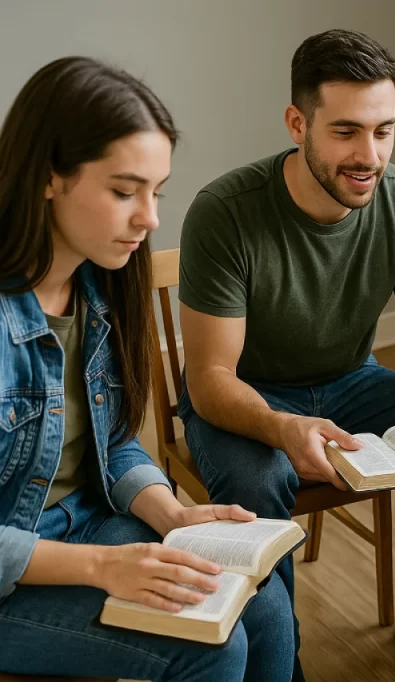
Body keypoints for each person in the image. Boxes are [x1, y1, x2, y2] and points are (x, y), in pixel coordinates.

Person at [176, 29, 395, 682]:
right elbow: (209, 377)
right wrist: (282, 427)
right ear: (298, 124)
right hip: (248, 395)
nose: (369, 155)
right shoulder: (225, 212)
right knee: (258, 483)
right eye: (347, 131)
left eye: (384, 131)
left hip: (350, 382)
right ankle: (281, 663)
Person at [0, 57, 293, 681]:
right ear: (50, 176)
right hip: (14, 571)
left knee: (265, 603)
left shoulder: (99, 290)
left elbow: (113, 442)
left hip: (86, 522)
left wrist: (173, 515)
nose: (151, 218)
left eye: (156, 192)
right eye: (124, 191)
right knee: (210, 648)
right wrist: (102, 567)